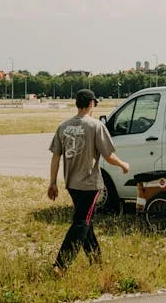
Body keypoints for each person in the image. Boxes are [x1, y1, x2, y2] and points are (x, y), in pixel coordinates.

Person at [47, 89, 130, 277]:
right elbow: (108, 156)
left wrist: (53, 182)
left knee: (87, 221)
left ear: (77, 103)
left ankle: (96, 261)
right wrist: (123, 164)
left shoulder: (63, 126)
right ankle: (60, 265)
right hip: (89, 184)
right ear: (91, 103)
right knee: (81, 223)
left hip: (71, 184)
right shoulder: (95, 126)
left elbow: (55, 157)